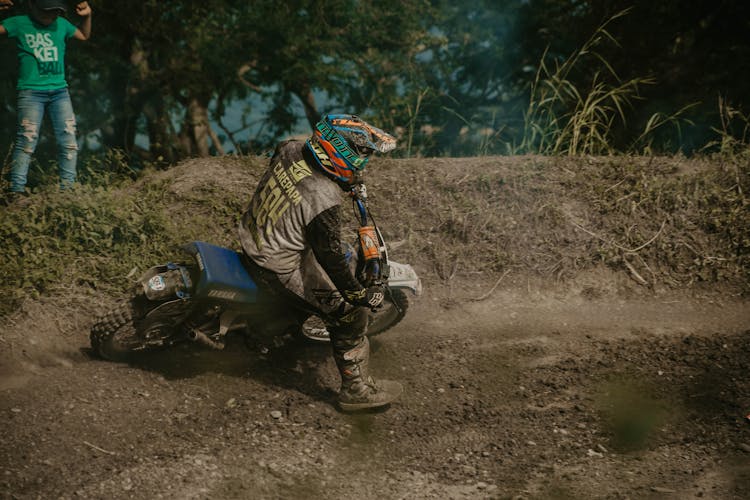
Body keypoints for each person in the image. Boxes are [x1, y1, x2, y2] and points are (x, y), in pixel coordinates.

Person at [239, 114, 403, 412]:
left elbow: (284, 162)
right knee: (351, 316)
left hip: (256, 234)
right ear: (339, 151)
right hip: (276, 266)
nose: (363, 161)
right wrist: (357, 295)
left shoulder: (290, 148)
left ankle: (269, 326)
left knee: (335, 258)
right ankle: (356, 390)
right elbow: (331, 260)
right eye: (361, 154)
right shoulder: (323, 198)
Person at [0, 0, 92, 200]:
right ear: (31, 5)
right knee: (27, 139)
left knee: (69, 140)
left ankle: (67, 191)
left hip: (60, 92)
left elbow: (84, 35)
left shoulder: (62, 24)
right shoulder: (17, 23)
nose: (50, 17)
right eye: (45, 12)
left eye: (55, 12)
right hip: (31, 93)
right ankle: (16, 192)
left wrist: (86, 17)